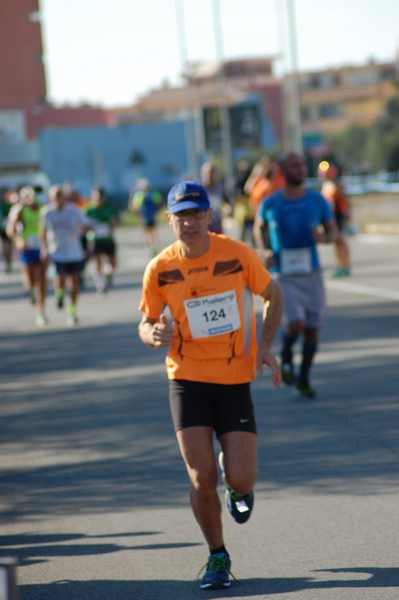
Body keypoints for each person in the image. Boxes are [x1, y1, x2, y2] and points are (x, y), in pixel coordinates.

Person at [138, 181, 282, 590]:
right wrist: (151, 335)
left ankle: (237, 484)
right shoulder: (160, 268)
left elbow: (273, 293)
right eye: (180, 216)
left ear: (208, 216)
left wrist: (265, 346)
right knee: (200, 478)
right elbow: (146, 320)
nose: (189, 223)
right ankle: (217, 555)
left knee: (240, 479)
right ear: (169, 221)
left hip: (234, 378)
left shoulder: (236, 255)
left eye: (196, 214)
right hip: (185, 378)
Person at [254, 152, 337, 399]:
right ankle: (288, 355)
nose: (300, 169)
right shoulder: (270, 203)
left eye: (302, 165)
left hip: (311, 273)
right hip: (284, 274)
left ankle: (304, 377)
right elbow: (259, 228)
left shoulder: (317, 200)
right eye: (294, 165)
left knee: (312, 329)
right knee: (296, 323)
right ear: (283, 171)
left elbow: (333, 233)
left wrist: (325, 237)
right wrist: (264, 250)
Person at [41, 185, 90, 326]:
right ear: (51, 198)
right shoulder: (47, 212)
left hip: (74, 252)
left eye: (60, 195)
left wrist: (83, 230)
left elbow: (85, 225)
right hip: (57, 252)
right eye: (55, 196)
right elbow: (42, 232)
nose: (58, 198)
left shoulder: (74, 210)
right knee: (60, 279)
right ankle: (60, 293)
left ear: (64, 197)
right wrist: (44, 248)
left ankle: (72, 311)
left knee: (74, 283)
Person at [6, 186, 48, 326]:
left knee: (41, 280)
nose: (29, 198)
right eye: (25, 196)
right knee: (30, 281)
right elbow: (10, 231)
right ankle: (30, 291)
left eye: (31, 195)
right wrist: (18, 240)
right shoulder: (19, 210)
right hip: (26, 248)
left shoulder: (43, 208)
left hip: (41, 247)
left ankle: (40, 312)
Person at [320, 163, 352, 277]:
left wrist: (347, 216)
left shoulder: (336, 185)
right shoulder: (326, 185)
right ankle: (341, 265)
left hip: (337, 217)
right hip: (330, 218)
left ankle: (345, 265)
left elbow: (343, 203)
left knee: (340, 242)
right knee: (337, 243)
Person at [85, 187, 118, 292]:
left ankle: (108, 274)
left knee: (113, 264)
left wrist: (112, 224)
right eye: (94, 197)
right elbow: (83, 225)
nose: (96, 199)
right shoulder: (89, 210)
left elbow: (116, 222)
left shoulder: (109, 208)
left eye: (99, 197)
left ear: (103, 198)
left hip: (108, 239)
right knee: (97, 263)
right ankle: (100, 284)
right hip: (95, 240)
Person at [129, 179, 163, 257]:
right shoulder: (154, 193)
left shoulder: (139, 195)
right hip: (151, 216)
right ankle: (153, 246)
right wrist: (156, 210)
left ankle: (152, 247)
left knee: (149, 233)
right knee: (152, 233)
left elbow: (135, 207)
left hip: (145, 217)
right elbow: (160, 203)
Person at [200, 161, 230, 234]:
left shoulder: (220, 187)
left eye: (212, 172)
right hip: (202, 224)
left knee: (219, 243)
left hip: (217, 223)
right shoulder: (198, 189)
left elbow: (227, 203)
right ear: (202, 174)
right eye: (208, 173)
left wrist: (227, 209)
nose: (210, 175)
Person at [0, 190, 14, 273]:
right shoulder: (1, 205)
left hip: (9, 228)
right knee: (4, 247)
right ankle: (7, 263)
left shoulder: (10, 205)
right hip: (2, 230)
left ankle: (9, 262)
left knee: (9, 247)